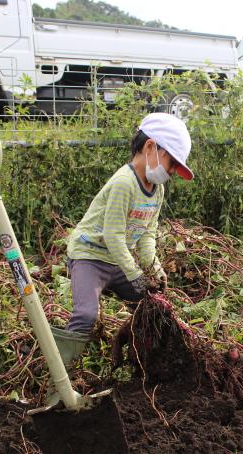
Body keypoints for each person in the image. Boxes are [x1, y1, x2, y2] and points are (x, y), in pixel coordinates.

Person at [53, 113, 193, 367]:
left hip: (117, 260)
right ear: (150, 146)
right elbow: (113, 236)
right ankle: (60, 374)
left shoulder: (157, 190)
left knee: (152, 307)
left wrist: (155, 270)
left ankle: (143, 363)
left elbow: (147, 235)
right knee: (86, 314)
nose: (171, 172)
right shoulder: (123, 183)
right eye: (172, 163)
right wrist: (136, 275)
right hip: (90, 256)